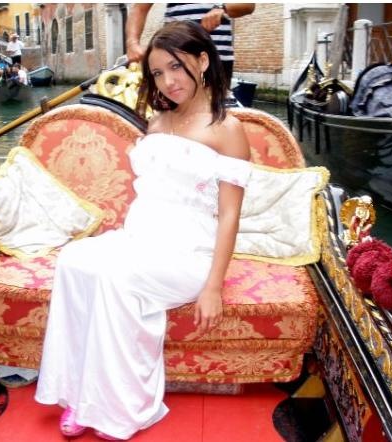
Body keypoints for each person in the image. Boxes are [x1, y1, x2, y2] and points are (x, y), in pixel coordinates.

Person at [35, 21, 251, 440]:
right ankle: (79, 394)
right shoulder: (158, 122)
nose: (168, 81)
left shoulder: (227, 129)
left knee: (114, 277)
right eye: (157, 73)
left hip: (188, 254)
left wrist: (213, 287)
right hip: (140, 239)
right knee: (74, 260)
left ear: (203, 60)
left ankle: (120, 408)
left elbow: (229, 215)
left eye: (176, 66)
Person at [126, 3, 255, 84]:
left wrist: (223, 8)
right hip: (175, 58)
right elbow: (140, 8)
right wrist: (132, 43)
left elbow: (249, 5)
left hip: (218, 59)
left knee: (216, 112)